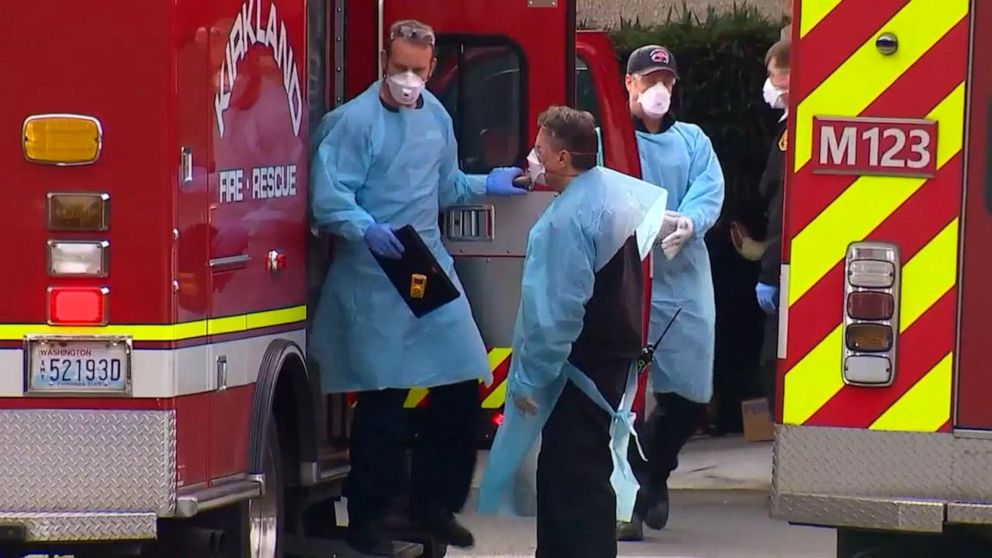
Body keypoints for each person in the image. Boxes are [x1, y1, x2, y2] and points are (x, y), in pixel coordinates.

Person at [309, 19, 526, 557]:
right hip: (373, 270)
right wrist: (364, 228)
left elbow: (446, 185)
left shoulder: (435, 117)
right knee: (381, 404)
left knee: (461, 380)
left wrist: (493, 182)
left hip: (419, 265)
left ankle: (433, 505)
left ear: (432, 67)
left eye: (418, 70)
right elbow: (327, 196)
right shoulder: (354, 123)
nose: (409, 79)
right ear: (386, 60)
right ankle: (370, 517)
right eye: (400, 68)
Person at [477, 106, 669, 558]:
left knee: (571, 478)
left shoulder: (563, 223)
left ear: (562, 158)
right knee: (586, 470)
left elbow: (554, 315)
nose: (532, 157)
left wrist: (530, 382)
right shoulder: (608, 194)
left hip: (576, 369)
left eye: (540, 149)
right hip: (609, 360)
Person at [616, 45, 726, 541]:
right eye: (649, 79)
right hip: (630, 284)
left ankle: (654, 473)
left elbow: (709, 189)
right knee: (627, 392)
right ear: (630, 84)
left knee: (689, 393)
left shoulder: (693, 141)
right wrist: (644, 218)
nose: (658, 89)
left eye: (666, 79)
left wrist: (689, 221)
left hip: (682, 284)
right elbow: (601, 192)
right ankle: (630, 499)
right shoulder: (612, 139)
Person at [756, 39, 791, 403]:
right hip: (780, 261)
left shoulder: (791, 131)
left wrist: (769, 273)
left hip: (781, 263)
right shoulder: (785, 127)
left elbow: (783, 205)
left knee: (771, 364)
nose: (768, 83)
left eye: (772, 75)